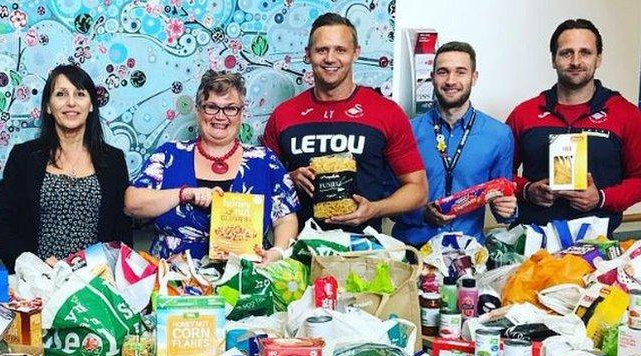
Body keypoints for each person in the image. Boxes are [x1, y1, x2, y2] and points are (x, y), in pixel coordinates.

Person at [262, 13, 427, 232]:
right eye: (322, 50)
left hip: (364, 251)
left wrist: (375, 209)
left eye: (340, 50)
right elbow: (261, 181)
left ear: (355, 53)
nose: (330, 58)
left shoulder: (386, 113)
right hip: (299, 250)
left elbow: (418, 189)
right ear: (308, 54)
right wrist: (289, 178)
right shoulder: (284, 115)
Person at [126, 70, 299, 263]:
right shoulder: (169, 155)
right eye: (211, 107)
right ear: (198, 110)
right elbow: (132, 203)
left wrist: (277, 252)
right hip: (174, 280)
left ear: (242, 112)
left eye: (230, 108)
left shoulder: (264, 161)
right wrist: (185, 194)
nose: (220, 116)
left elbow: (285, 218)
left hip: (246, 277)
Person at [0, 64, 132, 271]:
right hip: (39, 281)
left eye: (80, 94)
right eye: (61, 94)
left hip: (97, 282)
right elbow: (2, 225)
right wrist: (34, 266)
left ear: (91, 105)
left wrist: (113, 275)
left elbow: (122, 233)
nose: (71, 102)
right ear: (48, 106)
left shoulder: (113, 160)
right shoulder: (24, 157)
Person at [507, 19, 641, 233]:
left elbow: (639, 180)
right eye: (566, 53)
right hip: (533, 242)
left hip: (597, 246)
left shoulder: (626, 114)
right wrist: (528, 190)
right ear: (553, 59)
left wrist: (601, 198)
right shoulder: (524, 113)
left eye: (585, 52)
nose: (576, 61)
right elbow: (500, 174)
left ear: (598, 59)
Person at [391, 41, 517, 247]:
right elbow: (387, 198)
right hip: (411, 253)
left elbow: (502, 204)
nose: (451, 80)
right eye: (443, 72)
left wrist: (509, 210)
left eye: (460, 72)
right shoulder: (407, 131)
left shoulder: (499, 135)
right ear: (432, 78)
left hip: (467, 255)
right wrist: (422, 214)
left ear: (474, 77)